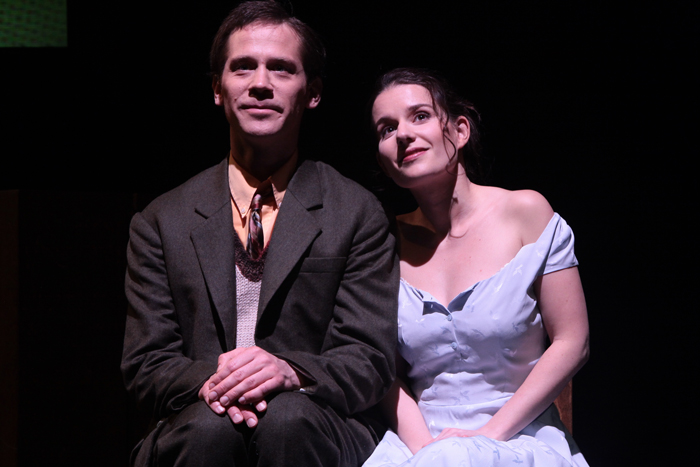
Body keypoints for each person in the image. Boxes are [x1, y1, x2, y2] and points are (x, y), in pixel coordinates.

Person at [120, 2, 399, 466]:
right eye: (243, 67)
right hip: (198, 424)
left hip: (314, 424)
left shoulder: (355, 211)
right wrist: (225, 383)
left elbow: (369, 357)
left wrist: (288, 371)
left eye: (282, 68)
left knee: (286, 419)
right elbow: (146, 364)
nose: (261, 83)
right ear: (217, 88)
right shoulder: (161, 220)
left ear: (312, 93)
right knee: (209, 428)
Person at [362, 68, 590, 467]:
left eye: (420, 116)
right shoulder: (384, 243)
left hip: (519, 436)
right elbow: (385, 373)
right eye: (387, 128)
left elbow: (573, 341)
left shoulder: (525, 213)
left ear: (460, 130)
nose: (403, 135)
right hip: (421, 444)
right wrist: (427, 451)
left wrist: (487, 436)